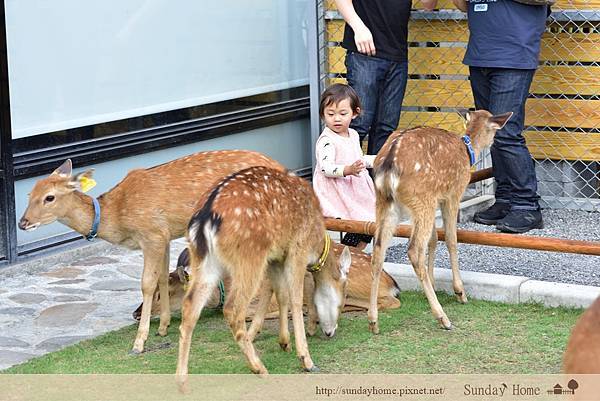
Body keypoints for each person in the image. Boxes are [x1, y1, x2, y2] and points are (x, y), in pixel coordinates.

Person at [452, 0, 549, 233]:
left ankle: (527, 205)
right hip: (480, 53)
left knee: (506, 133)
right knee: (492, 134)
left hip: (513, 54)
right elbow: (464, 6)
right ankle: (505, 199)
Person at [335, 0, 438, 157]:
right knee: (358, 124)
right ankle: (343, 178)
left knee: (386, 128)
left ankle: (374, 180)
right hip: (364, 54)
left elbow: (428, 5)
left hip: (397, 56)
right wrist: (358, 28)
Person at [313, 83, 375, 250]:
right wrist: (347, 170)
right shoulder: (327, 140)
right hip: (337, 188)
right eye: (331, 114)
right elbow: (326, 168)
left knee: (370, 222)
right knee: (359, 222)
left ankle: (353, 253)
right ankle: (345, 253)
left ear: (355, 113)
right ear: (323, 115)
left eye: (343, 113)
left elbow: (357, 158)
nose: (337, 118)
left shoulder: (353, 134)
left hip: (354, 186)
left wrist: (377, 160)